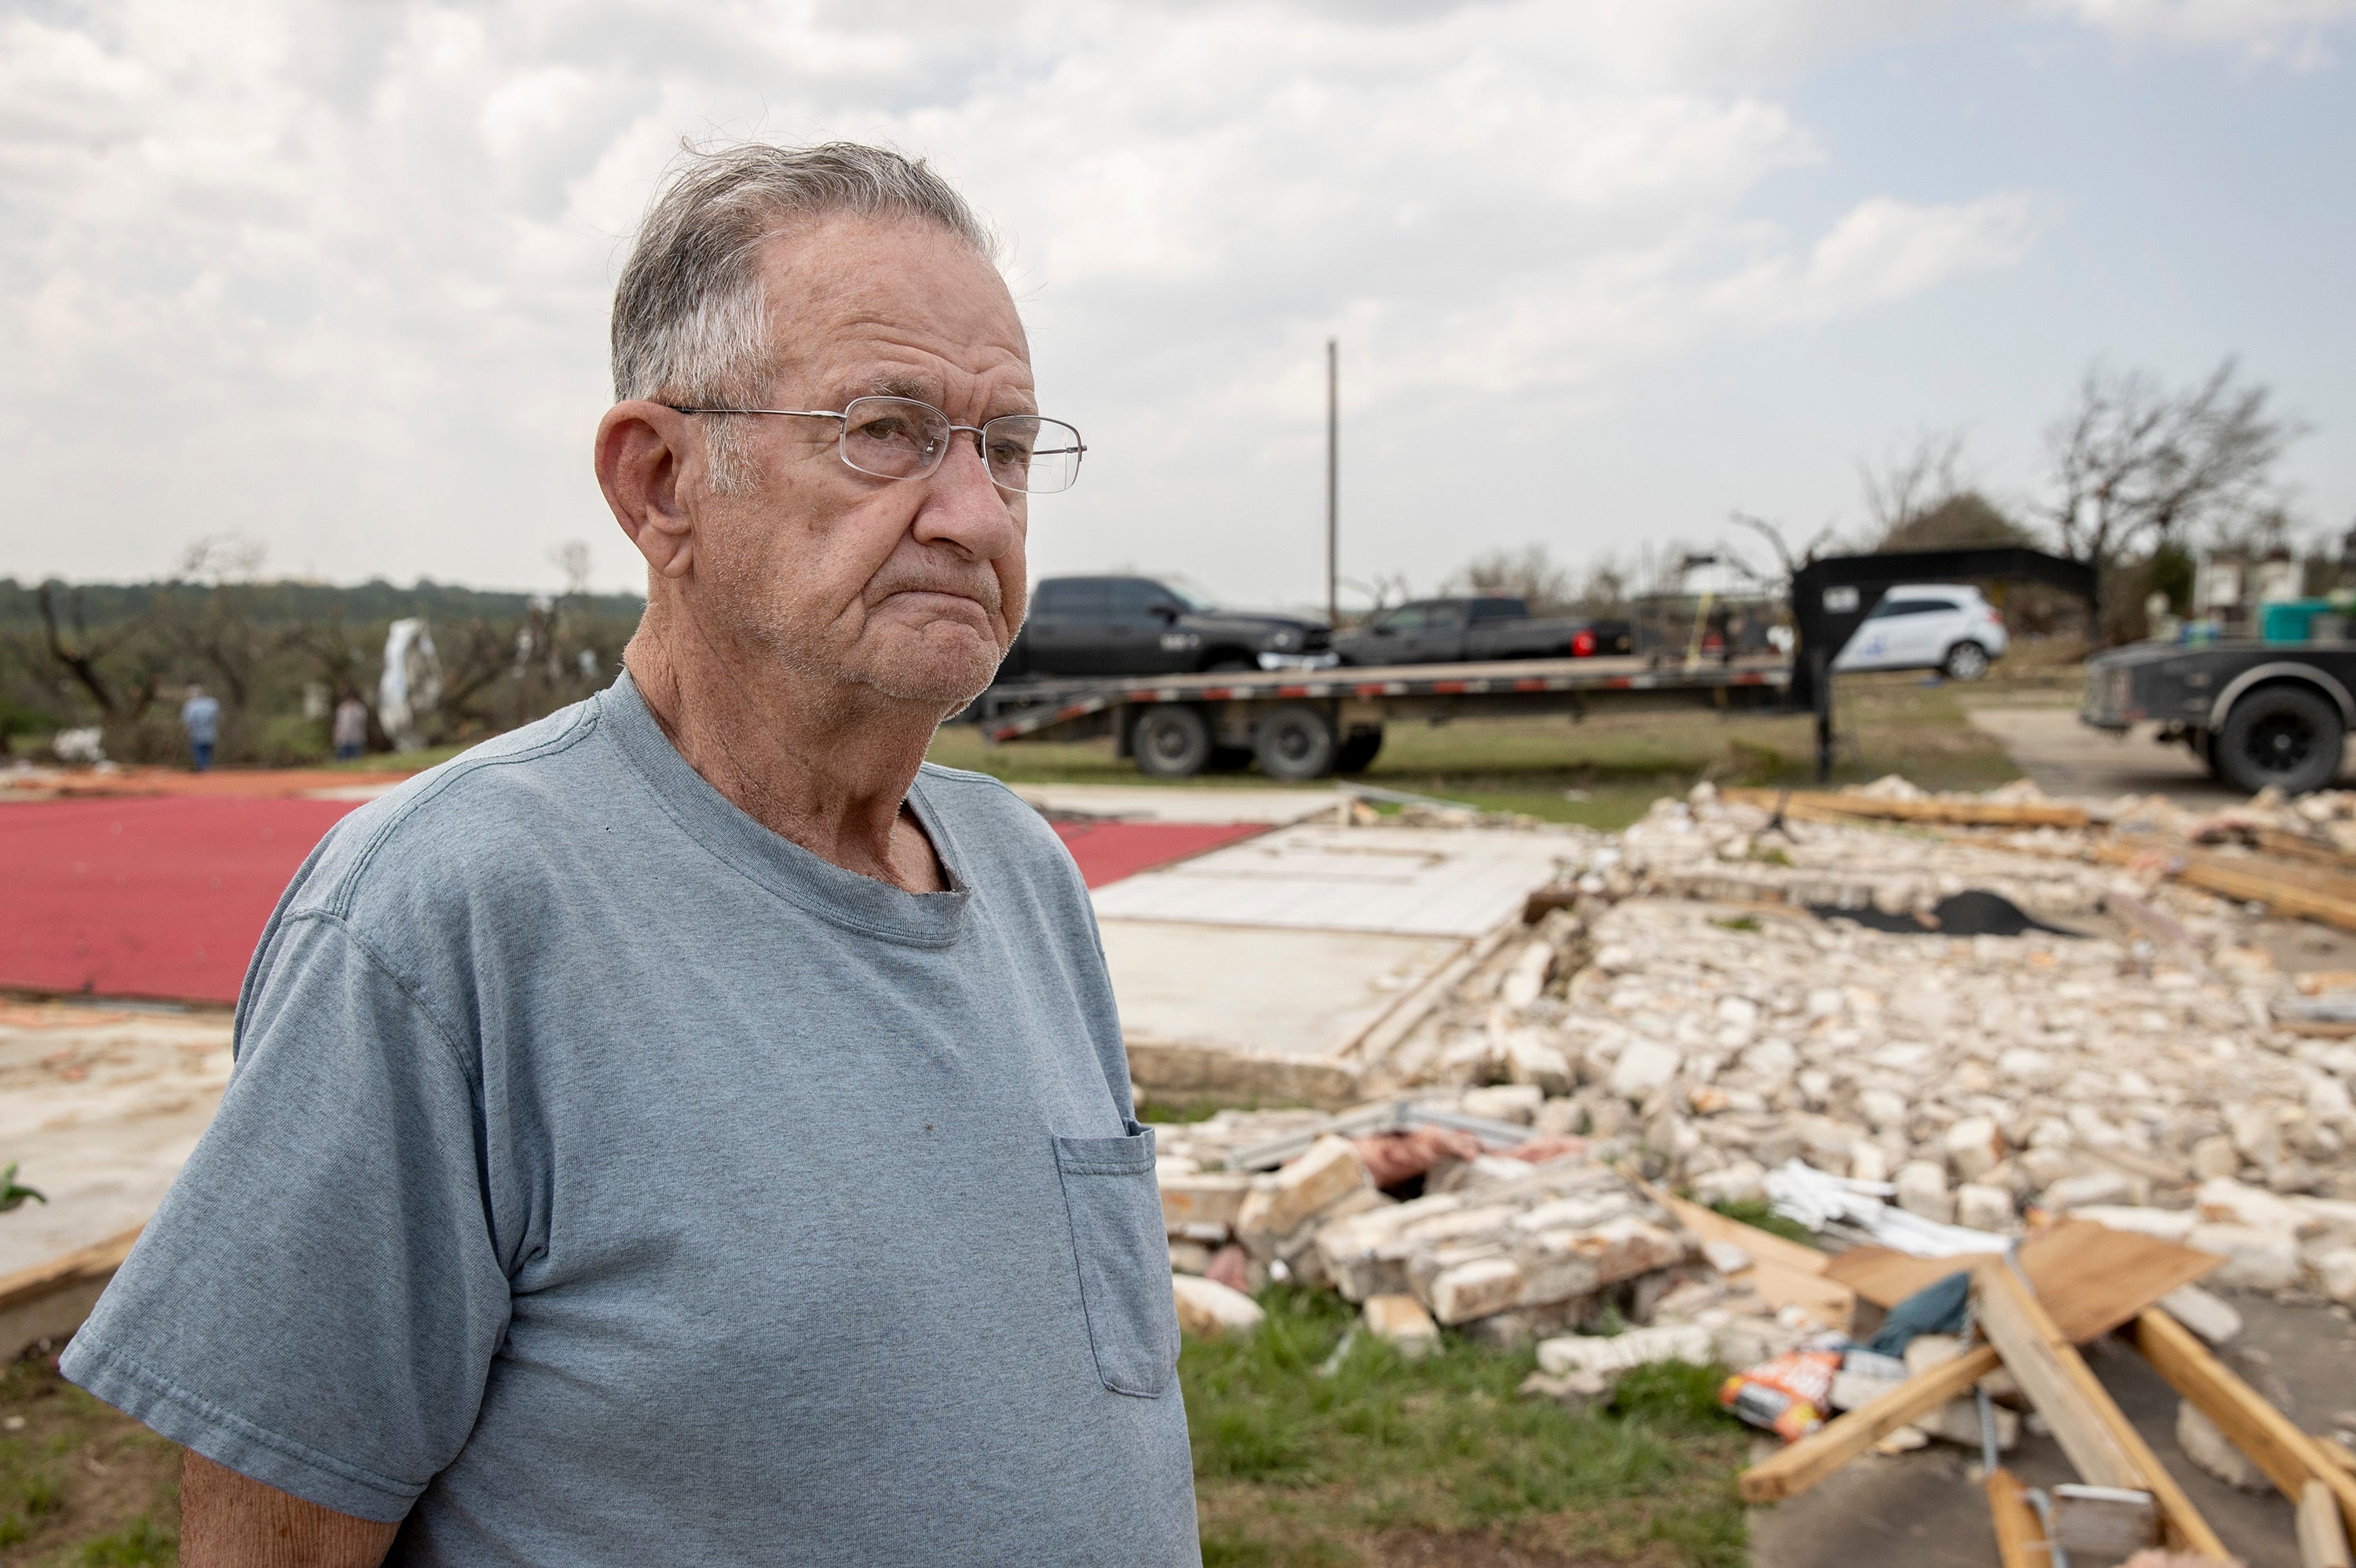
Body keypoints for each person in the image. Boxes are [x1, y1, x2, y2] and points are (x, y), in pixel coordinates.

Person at [64, 142, 1190, 1566]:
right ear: (661, 483)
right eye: (888, 430)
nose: (973, 513)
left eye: (1009, 448)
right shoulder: (440, 920)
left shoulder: (1027, 874)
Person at [178, 684, 221, 772]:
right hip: (211, 733)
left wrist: (186, 732)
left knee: (200, 753)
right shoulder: (212, 703)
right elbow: (218, 718)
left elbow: (187, 721)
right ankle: (207, 769)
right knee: (208, 753)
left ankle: (204, 771)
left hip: (196, 735)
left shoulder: (190, 705)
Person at [331, 695, 368, 762]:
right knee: (342, 757)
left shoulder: (359, 708)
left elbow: (362, 721)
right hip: (343, 737)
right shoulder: (341, 708)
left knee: (355, 757)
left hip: (356, 737)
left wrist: (353, 711)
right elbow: (339, 723)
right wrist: (336, 734)